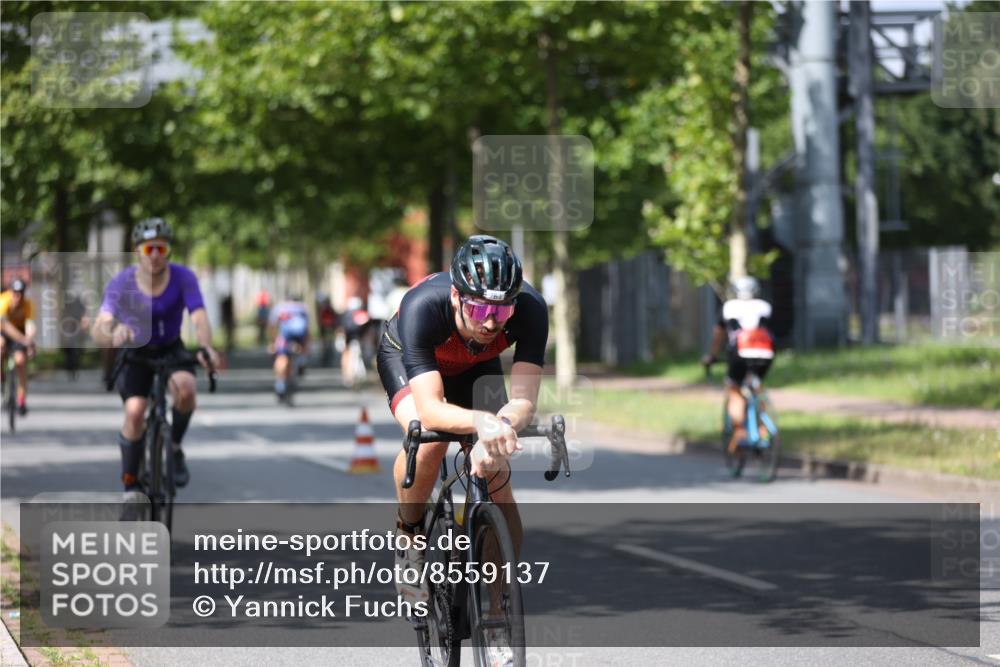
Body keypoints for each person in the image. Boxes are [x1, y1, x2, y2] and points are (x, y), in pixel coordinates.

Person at [376, 235, 548, 605]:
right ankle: (409, 537)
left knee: (498, 477)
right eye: (480, 310)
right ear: (456, 297)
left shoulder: (531, 309)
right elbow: (432, 410)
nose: (490, 323)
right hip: (409, 361)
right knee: (430, 438)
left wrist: (500, 425)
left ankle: (501, 611)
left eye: (501, 313)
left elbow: (523, 402)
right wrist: (482, 422)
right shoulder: (423, 307)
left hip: (475, 367)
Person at [91, 218, 220, 496]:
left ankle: (173, 446)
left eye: (161, 249)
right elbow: (101, 324)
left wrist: (206, 347)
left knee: (186, 390)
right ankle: (130, 485)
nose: (155, 256)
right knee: (135, 411)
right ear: (138, 251)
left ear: (169, 251)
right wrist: (114, 330)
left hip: (170, 348)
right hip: (136, 352)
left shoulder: (183, 277)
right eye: (149, 249)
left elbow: (199, 317)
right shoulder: (122, 282)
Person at [702, 276, 775, 454]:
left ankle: (740, 432)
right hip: (766, 353)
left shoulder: (729, 307)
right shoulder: (765, 306)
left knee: (733, 390)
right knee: (757, 386)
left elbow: (719, 335)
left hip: (740, 352)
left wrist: (712, 356)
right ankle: (763, 429)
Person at [0, 278, 36, 415]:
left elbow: (30, 326)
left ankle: (21, 400)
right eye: (15, 293)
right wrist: (24, 340)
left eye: (20, 293)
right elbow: (4, 326)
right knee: (1, 345)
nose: (18, 296)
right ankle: (2, 375)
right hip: (4, 332)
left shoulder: (28, 305)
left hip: (20, 333)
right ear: (10, 292)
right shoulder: (3, 301)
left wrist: (30, 342)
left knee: (20, 362)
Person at [268, 295, 310, 400]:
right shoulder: (303, 308)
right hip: (300, 337)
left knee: (281, 357)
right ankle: (301, 362)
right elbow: (307, 329)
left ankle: (280, 384)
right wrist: (306, 346)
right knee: (299, 353)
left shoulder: (280, 307)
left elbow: (272, 326)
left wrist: (273, 342)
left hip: (285, 337)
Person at [340, 295, 371, 387]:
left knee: (346, 354)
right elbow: (367, 328)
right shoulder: (362, 313)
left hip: (348, 337)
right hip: (359, 337)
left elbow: (341, 327)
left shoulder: (345, 314)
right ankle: (356, 376)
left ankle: (346, 375)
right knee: (358, 354)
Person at [317, 296, 339, 368]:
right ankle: (326, 354)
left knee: (325, 343)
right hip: (329, 328)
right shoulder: (329, 309)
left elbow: (320, 320)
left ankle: (325, 355)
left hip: (326, 328)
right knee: (328, 343)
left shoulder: (324, 309)